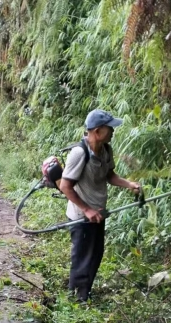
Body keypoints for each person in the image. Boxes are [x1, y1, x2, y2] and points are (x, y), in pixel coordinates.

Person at [59, 109, 141, 302]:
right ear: (97, 131)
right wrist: (86, 209)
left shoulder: (106, 150)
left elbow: (110, 175)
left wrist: (129, 184)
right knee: (82, 258)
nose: (113, 131)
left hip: (98, 214)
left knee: (96, 254)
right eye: (109, 128)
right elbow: (65, 186)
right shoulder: (79, 154)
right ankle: (75, 300)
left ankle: (84, 294)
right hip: (81, 216)